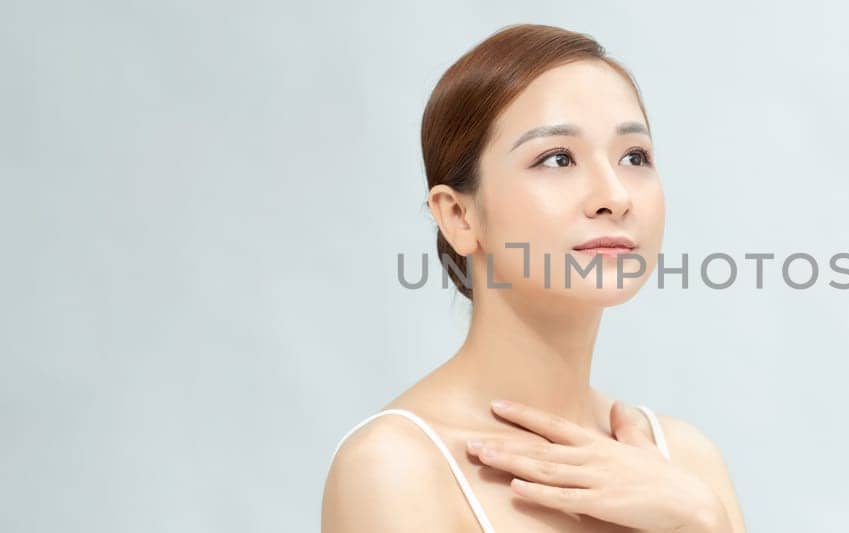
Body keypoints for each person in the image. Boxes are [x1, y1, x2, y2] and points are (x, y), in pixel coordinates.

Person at [320, 24, 747, 532]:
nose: (615, 194)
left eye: (635, 156)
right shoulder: (397, 467)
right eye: (557, 158)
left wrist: (700, 522)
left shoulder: (687, 463)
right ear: (459, 215)